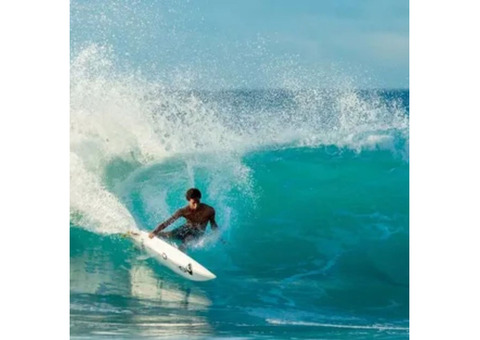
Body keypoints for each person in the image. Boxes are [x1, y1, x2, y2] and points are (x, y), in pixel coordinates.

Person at [149, 188, 218, 251]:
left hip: (197, 233)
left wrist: (217, 235)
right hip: (186, 228)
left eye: (198, 202)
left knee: (187, 240)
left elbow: (213, 224)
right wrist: (155, 232)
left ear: (200, 198)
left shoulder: (209, 210)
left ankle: (179, 254)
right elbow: (167, 222)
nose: (196, 205)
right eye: (193, 203)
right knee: (168, 235)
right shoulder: (183, 211)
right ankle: (147, 234)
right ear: (188, 200)